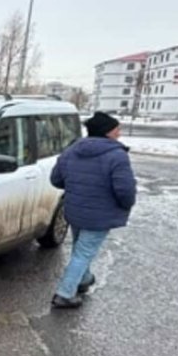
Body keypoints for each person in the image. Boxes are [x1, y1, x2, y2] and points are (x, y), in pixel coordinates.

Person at [49, 112, 136, 309]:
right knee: (84, 252)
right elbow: (125, 189)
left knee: (81, 249)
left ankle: (84, 279)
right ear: (107, 132)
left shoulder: (71, 151)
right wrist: (126, 204)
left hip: (74, 210)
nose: (119, 133)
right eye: (117, 129)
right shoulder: (117, 155)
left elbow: (56, 179)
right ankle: (65, 293)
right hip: (99, 214)